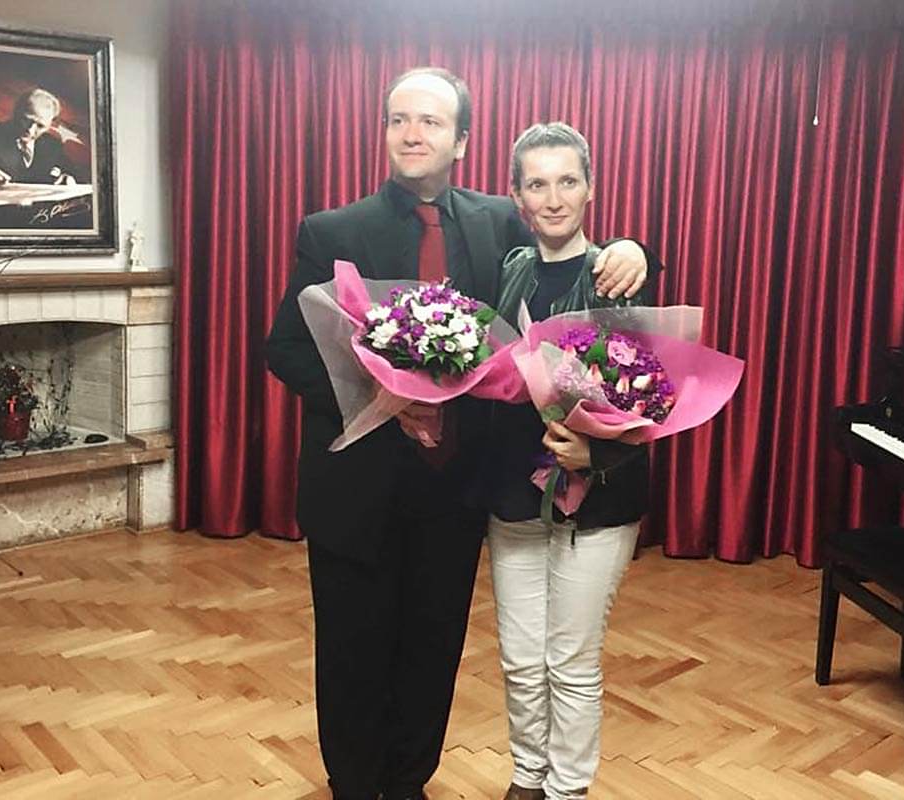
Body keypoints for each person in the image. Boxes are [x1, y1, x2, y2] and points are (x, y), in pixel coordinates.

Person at [265, 68, 654, 800]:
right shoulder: (330, 231)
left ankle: (410, 782)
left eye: (431, 122)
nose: (412, 133)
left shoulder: (498, 222)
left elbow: (568, 249)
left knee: (433, 649)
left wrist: (632, 248)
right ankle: (356, 786)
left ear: (462, 141)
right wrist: (380, 395)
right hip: (356, 493)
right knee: (351, 654)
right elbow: (285, 349)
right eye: (399, 119)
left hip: (453, 495)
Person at [487, 122, 651, 800]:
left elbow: (653, 395)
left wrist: (597, 450)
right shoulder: (507, 268)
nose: (553, 199)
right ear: (517, 196)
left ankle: (567, 790)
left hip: (599, 498)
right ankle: (528, 778)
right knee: (522, 659)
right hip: (513, 493)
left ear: (590, 188)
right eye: (537, 184)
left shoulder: (618, 276)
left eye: (567, 181)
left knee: (571, 661)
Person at [0, 88, 77, 188]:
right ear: (16, 113)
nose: (30, 130)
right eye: (26, 120)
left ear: (50, 125)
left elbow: (73, 174)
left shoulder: (52, 145)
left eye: (40, 126)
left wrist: (68, 178)